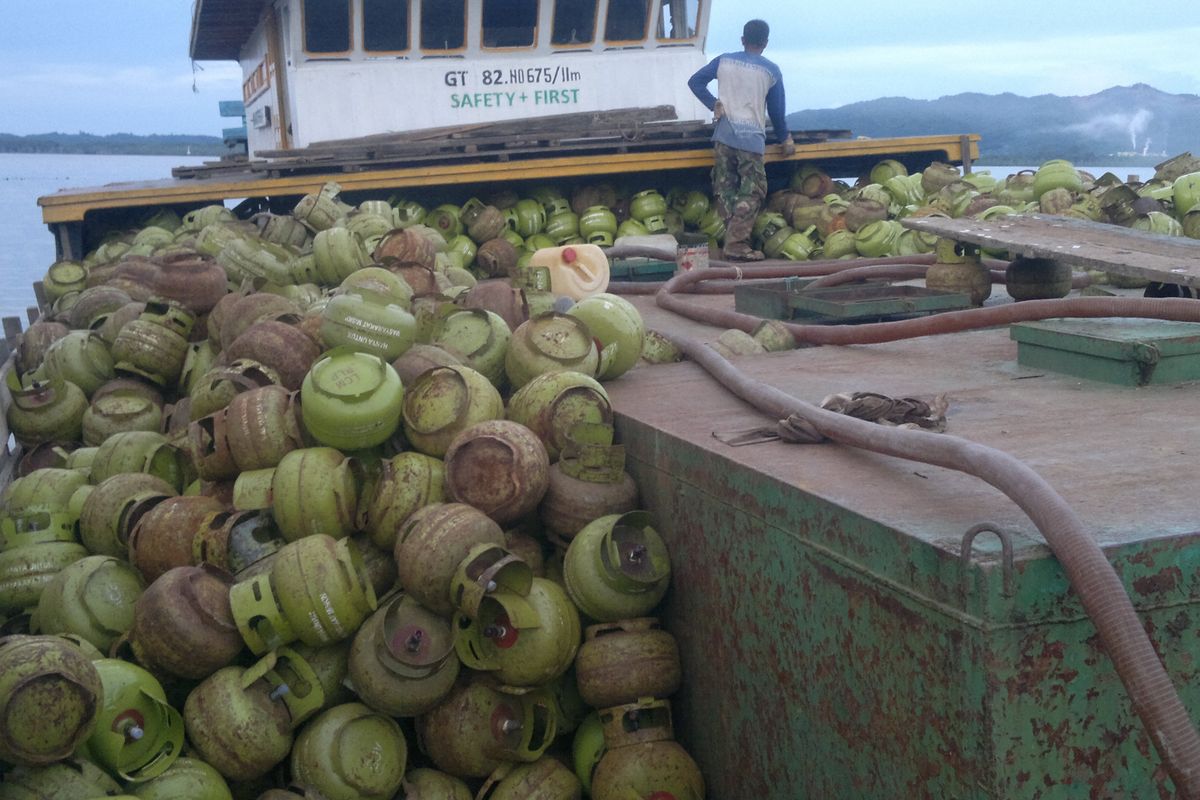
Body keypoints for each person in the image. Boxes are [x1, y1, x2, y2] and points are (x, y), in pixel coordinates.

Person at [687, 19, 795, 261]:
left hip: (724, 136)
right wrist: (786, 138)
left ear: (742, 40)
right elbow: (777, 113)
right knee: (754, 190)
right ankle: (736, 245)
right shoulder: (771, 71)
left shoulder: (724, 61)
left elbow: (695, 82)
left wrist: (712, 104)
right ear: (765, 43)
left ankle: (730, 239)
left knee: (725, 188)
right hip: (751, 140)